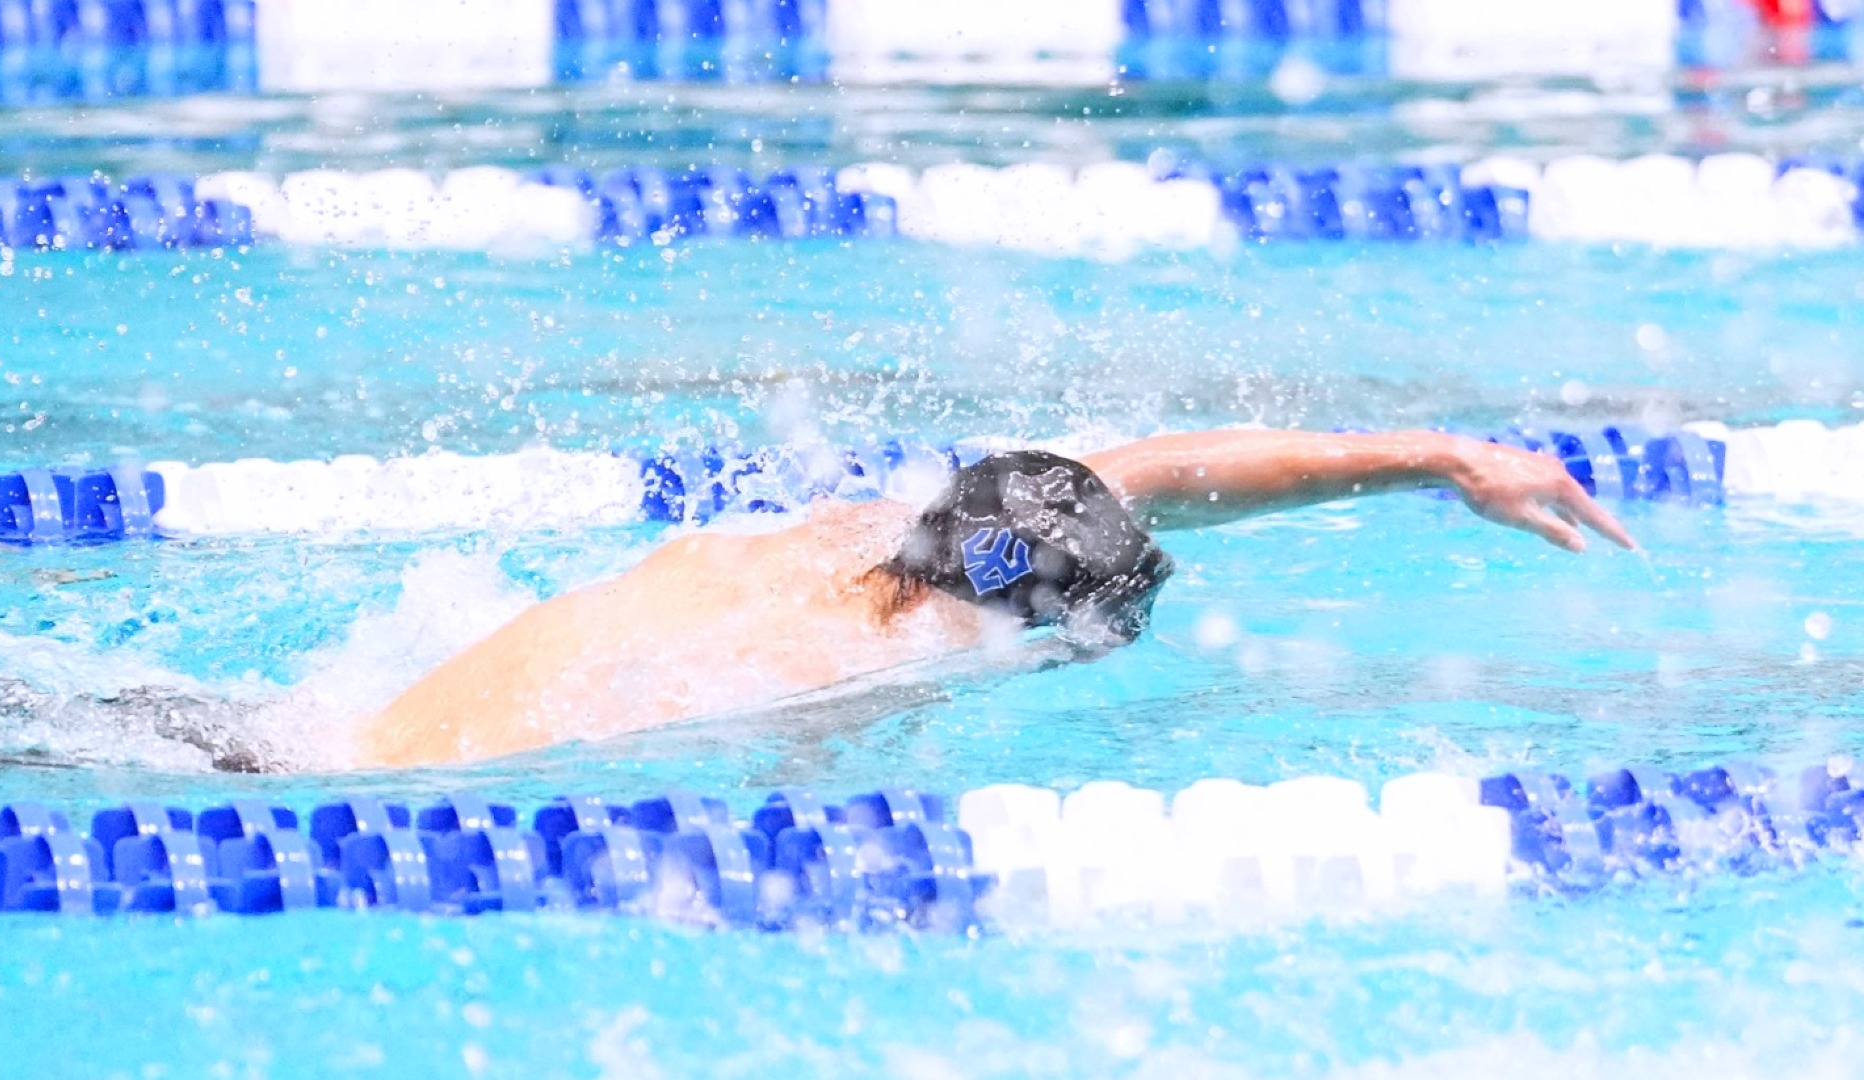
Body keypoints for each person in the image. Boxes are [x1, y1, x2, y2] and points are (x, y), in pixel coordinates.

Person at [357, 428, 1637, 769]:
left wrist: (1441, 458)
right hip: (364, 793)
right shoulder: (819, 679)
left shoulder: (862, 544)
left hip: (314, 726)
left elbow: (1145, 473)